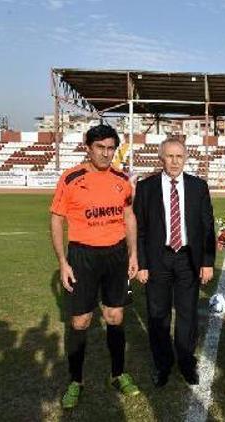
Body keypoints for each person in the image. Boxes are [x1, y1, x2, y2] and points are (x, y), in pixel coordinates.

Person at [50, 124, 141, 409]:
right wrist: (63, 262)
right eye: (100, 147)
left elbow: (128, 217)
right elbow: (56, 219)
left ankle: (118, 373)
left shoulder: (122, 179)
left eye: (111, 148)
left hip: (115, 256)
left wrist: (133, 254)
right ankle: (76, 381)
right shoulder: (71, 178)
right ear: (87, 147)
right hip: (82, 256)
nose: (106, 153)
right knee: (80, 321)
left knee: (114, 316)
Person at [133, 138, 215, 387]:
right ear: (161, 158)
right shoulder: (146, 187)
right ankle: (163, 364)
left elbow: (207, 226)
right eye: (170, 156)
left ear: (185, 158)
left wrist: (207, 261)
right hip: (158, 259)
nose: (175, 161)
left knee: (187, 314)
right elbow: (140, 229)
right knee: (158, 315)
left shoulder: (198, 186)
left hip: (187, 258)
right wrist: (143, 263)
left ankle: (186, 363)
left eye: (179, 156)